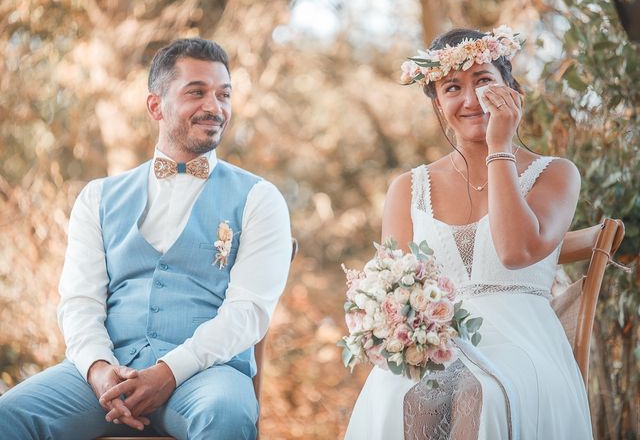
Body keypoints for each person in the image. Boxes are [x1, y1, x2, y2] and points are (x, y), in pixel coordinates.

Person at [0, 38, 292, 439]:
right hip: (106, 376)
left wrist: (169, 373)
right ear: (155, 105)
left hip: (205, 377)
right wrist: (99, 370)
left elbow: (248, 313)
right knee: (9, 416)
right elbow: (80, 302)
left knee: (226, 414)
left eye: (224, 94)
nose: (215, 107)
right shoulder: (97, 197)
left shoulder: (260, 198)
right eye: (197, 92)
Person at [345, 26, 592, 439]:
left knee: (481, 394)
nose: (470, 98)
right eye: (452, 87)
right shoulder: (407, 189)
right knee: (400, 391)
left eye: (483, 81)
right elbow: (391, 293)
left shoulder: (557, 174)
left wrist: (500, 147)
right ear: (439, 105)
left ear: (510, 89)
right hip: (437, 345)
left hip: (523, 343)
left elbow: (515, 251)